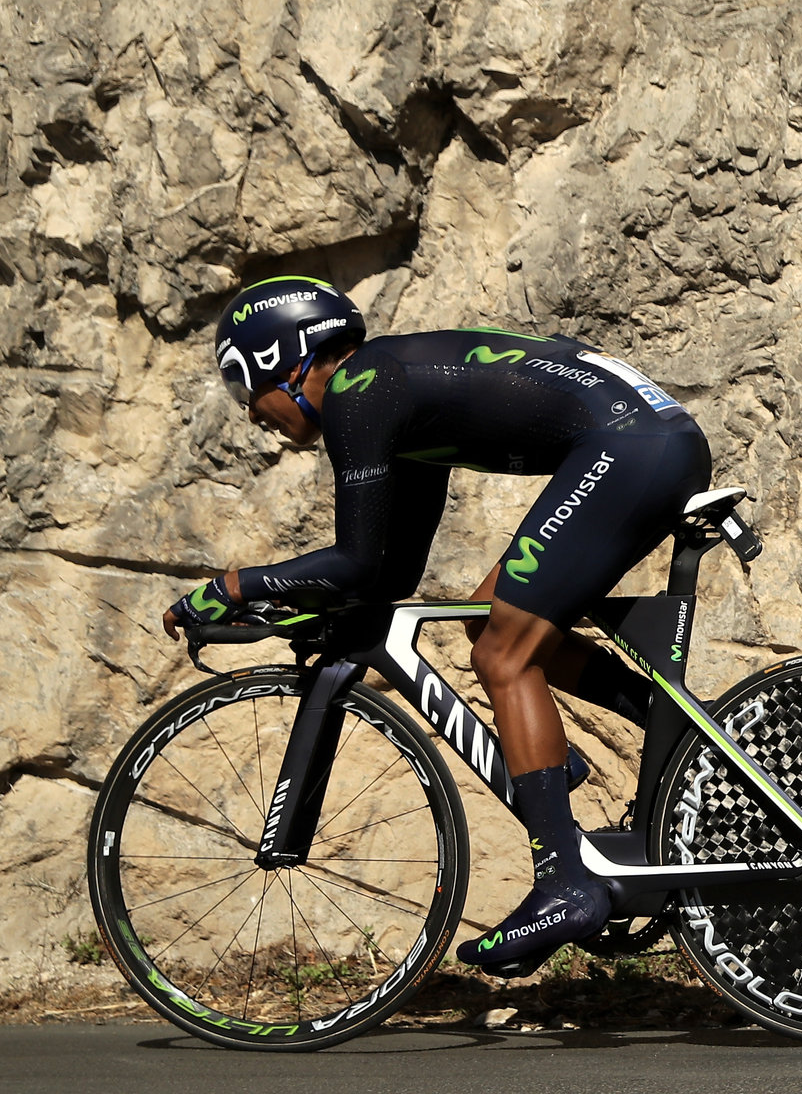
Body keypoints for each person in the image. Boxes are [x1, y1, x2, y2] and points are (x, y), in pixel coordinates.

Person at [159, 275, 711, 975]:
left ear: (286, 357)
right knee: (492, 626)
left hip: (633, 448)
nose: (249, 413)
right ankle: (676, 730)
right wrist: (297, 608)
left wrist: (236, 586)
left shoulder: (362, 392)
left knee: (506, 657)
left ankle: (566, 885)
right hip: (649, 441)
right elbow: (389, 575)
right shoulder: (391, 396)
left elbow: (356, 562)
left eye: (243, 384)